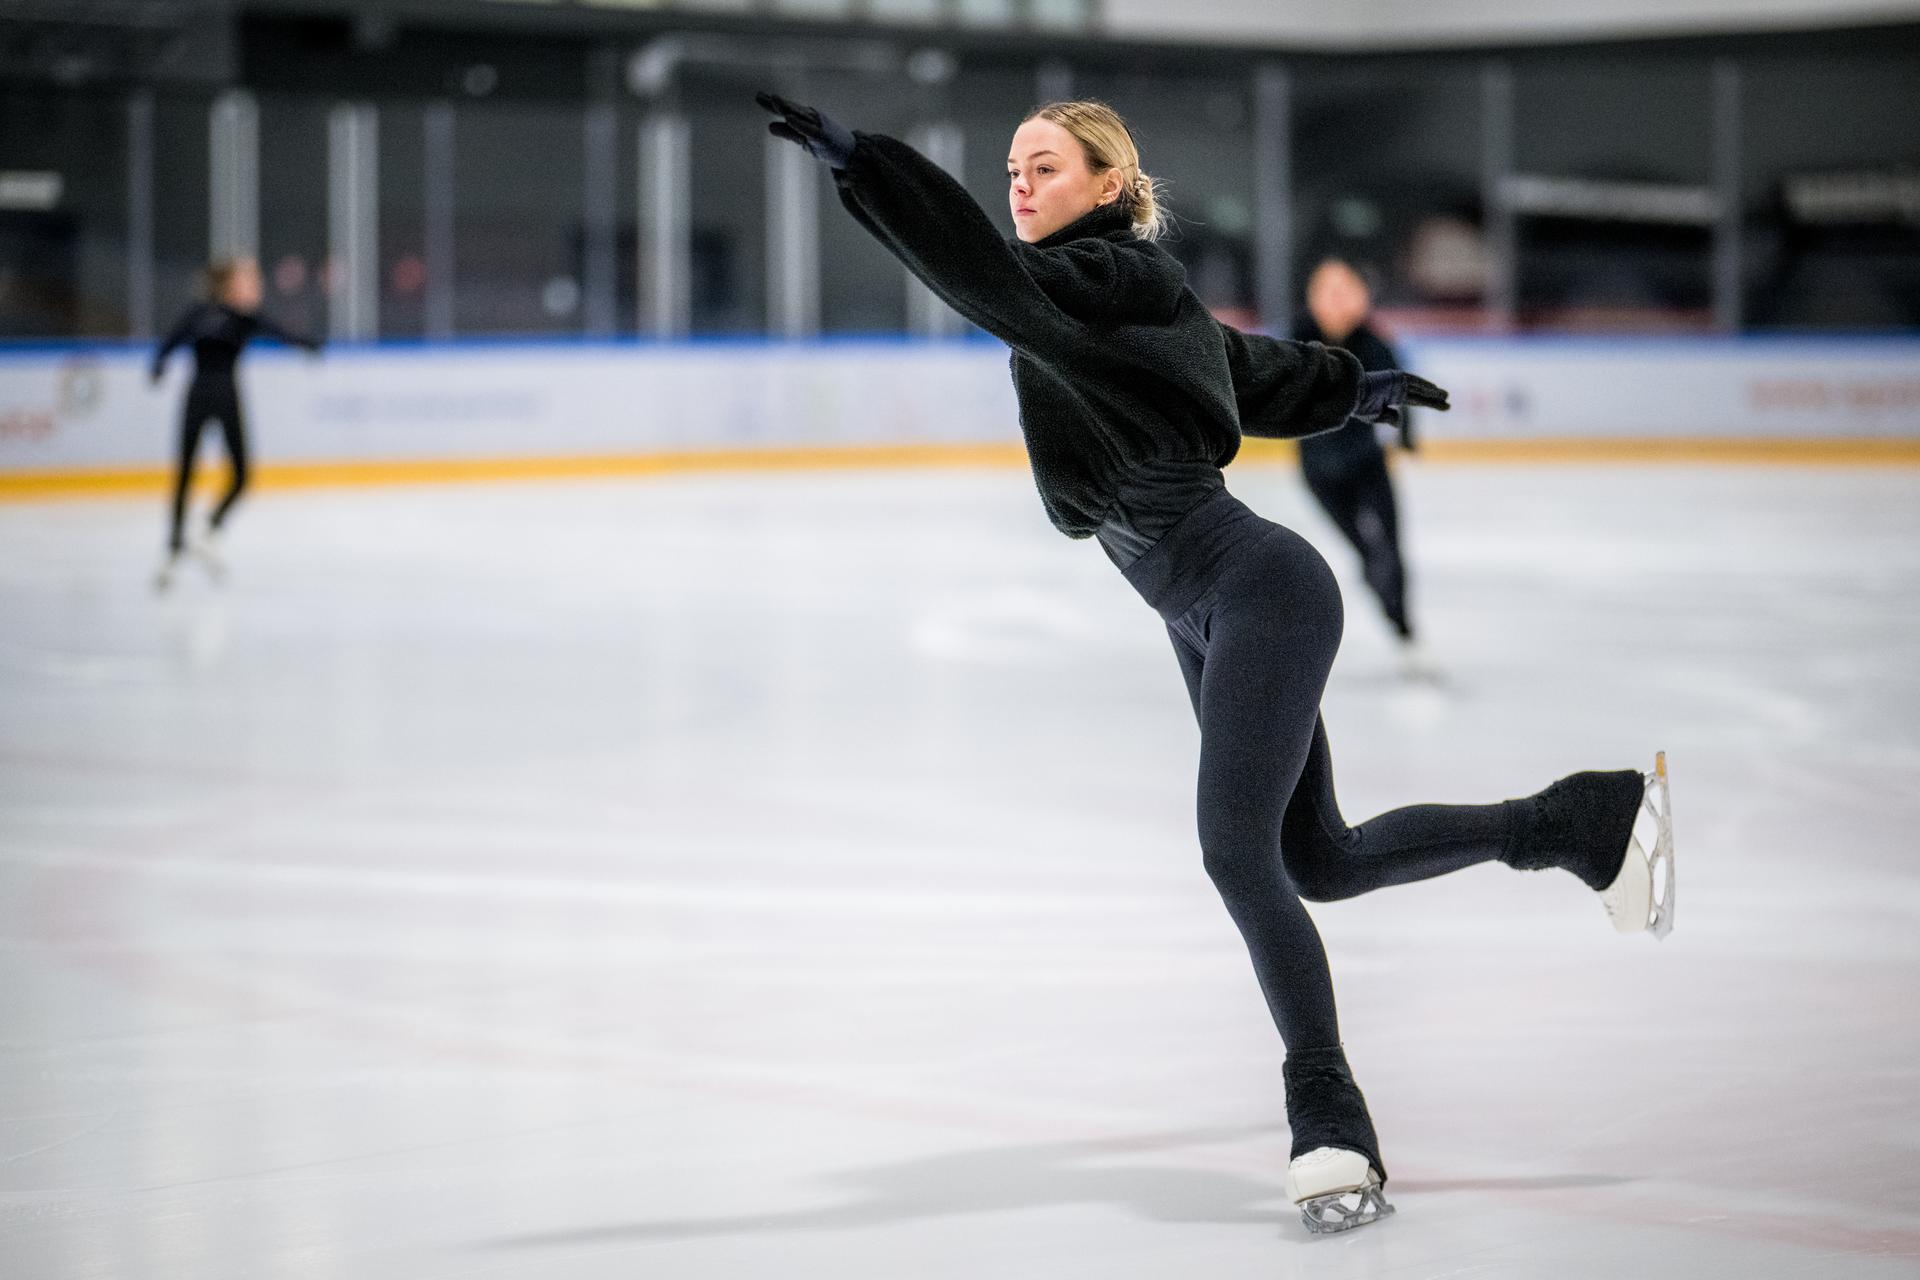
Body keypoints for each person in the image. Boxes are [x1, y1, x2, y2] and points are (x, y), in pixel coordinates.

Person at [758, 92, 1676, 1235]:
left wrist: (874, 170)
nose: (1020, 187)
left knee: (1235, 850)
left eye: (1044, 167)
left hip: (1257, 591)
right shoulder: (1116, 296)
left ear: (1106, 185)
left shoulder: (1091, 283)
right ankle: (1584, 819)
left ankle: (1328, 1117)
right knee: (1320, 860)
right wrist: (1349, 385)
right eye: (1009, 170)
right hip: (1211, 609)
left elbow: (980, 277)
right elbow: (1235, 366)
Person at [150, 256, 322, 591]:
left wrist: (306, 344)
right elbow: (171, 341)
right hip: (198, 397)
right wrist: (158, 363)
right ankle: (172, 550)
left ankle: (210, 528)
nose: (255, 286)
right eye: (249, 280)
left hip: (228, 397)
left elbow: (280, 333)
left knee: (243, 474)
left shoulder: (244, 318)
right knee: (185, 474)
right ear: (231, 284)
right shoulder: (198, 313)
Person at [1292, 258, 1424, 671]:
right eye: (1325, 291)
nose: (1334, 300)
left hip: (1368, 466)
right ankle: (1388, 605)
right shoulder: (1298, 340)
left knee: (1390, 549)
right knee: (1367, 553)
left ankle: (1404, 627)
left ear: (1360, 297)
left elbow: (1400, 390)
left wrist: (1405, 439)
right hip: (1320, 475)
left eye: (1343, 290)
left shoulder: (1374, 344)